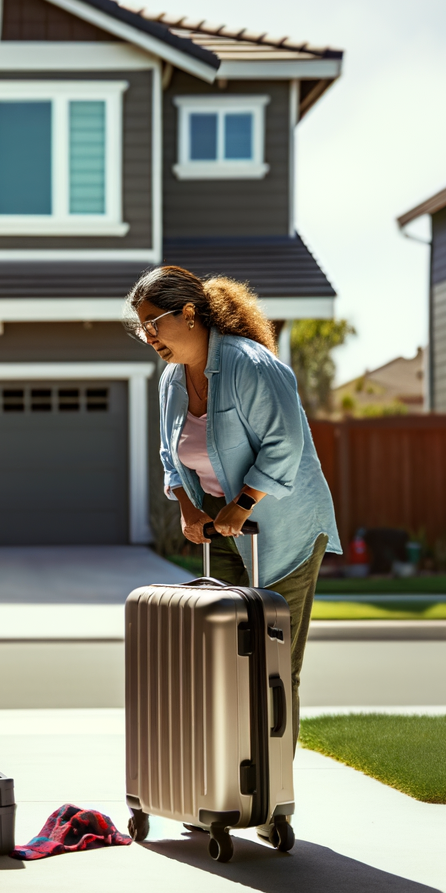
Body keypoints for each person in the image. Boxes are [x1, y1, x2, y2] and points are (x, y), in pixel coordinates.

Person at [128, 265, 340, 760]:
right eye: (142, 328)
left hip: (282, 529)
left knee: (273, 664)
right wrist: (186, 508)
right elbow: (170, 454)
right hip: (221, 530)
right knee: (215, 656)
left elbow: (284, 445)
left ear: (188, 314)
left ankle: (270, 792)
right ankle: (217, 779)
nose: (148, 336)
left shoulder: (251, 364)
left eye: (154, 323)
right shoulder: (172, 381)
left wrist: (242, 504)